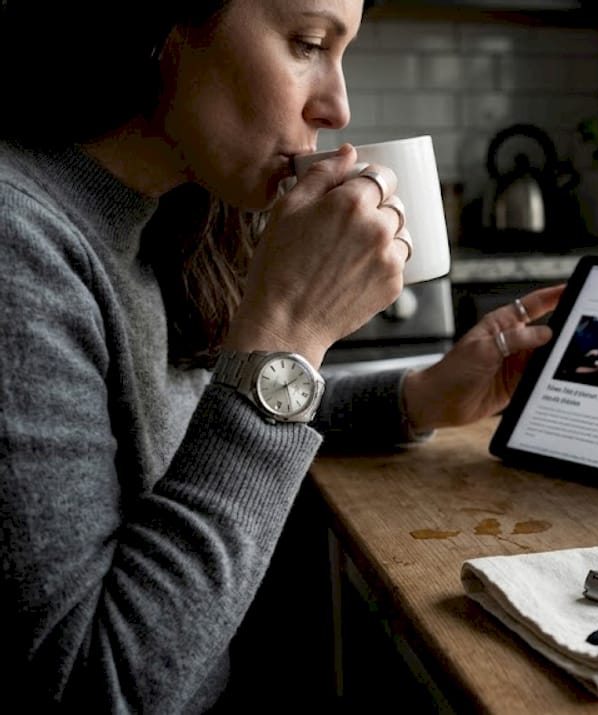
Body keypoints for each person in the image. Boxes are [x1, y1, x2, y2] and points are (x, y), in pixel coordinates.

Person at [0, 1, 563, 710]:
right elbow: (94, 684)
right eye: (307, 43)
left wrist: (416, 395)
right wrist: (288, 331)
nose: (337, 106)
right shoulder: (17, 249)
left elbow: (190, 431)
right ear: (162, 27)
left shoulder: (150, 219)